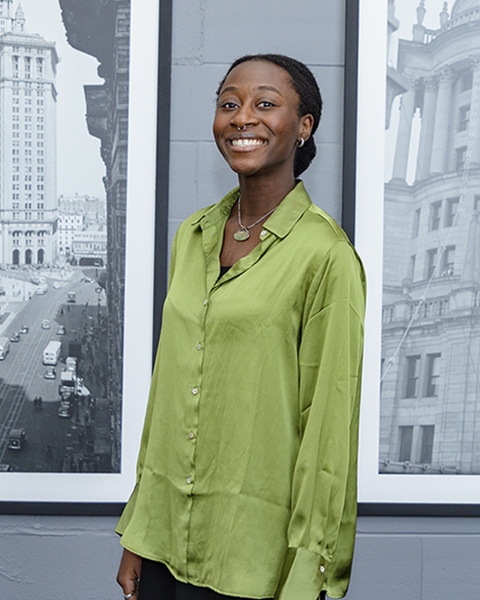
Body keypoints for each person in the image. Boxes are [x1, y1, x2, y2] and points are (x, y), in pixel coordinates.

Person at [116, 54, 365, 600]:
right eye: (229, 103)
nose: (242, 118)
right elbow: (169, 398)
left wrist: (310, 578)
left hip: (255, 565)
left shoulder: (327, 256)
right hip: (162, 547)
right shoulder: (193, 236)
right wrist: (139, 529)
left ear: (304, 127)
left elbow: (328, 430)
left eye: (265, 104)